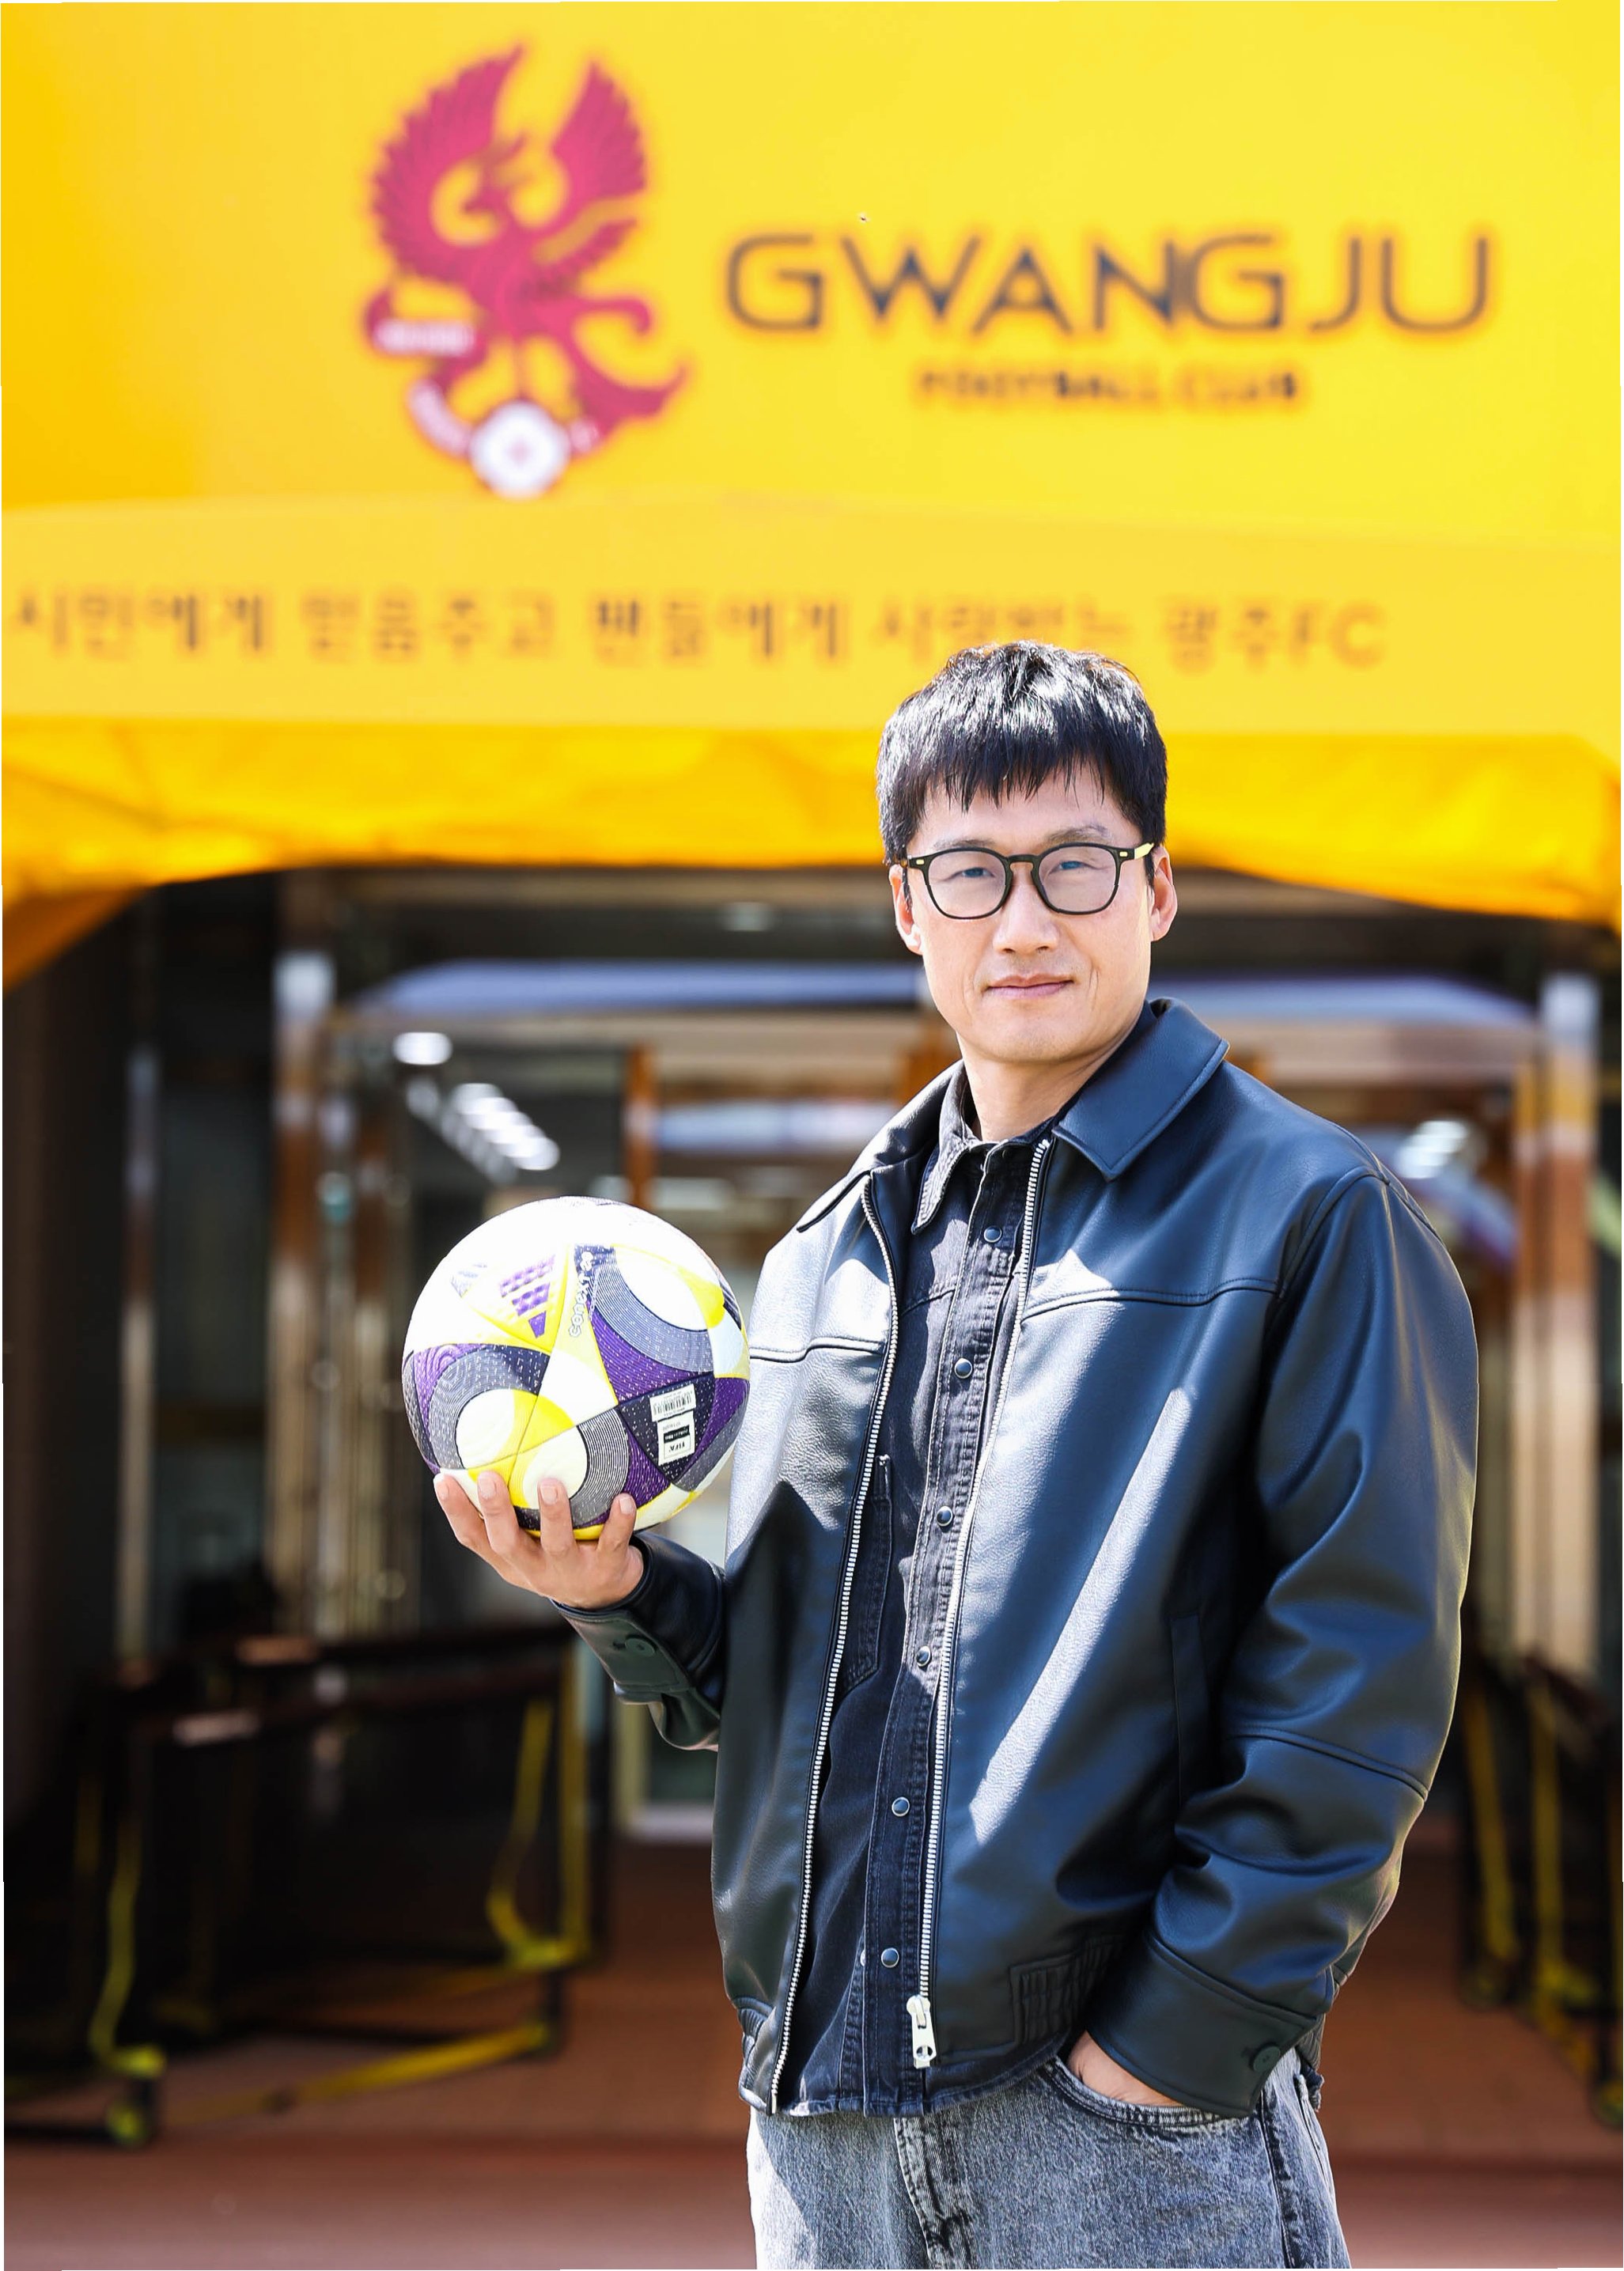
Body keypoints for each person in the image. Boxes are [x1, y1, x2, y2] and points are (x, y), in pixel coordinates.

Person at [436, 643, 1477, 2270]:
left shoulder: (1309, 1216)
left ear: (1156, 887)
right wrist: (618, 1591)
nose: (1024, 920)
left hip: (1120, 2132)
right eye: (970, 871)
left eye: (1075, 864)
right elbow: (780, 1692)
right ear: (908, 907)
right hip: (822, 2123)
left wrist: (1166, 2052)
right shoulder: (827, 1257)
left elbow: (1360, 1688)